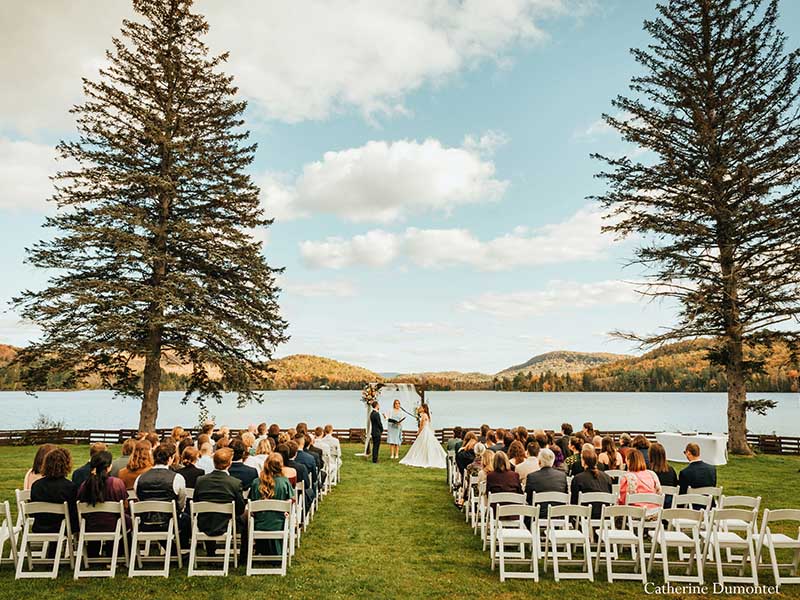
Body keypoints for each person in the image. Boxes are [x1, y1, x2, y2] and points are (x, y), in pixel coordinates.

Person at [194, 448, 247, 561]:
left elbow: (196, 502)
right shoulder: (235, 483)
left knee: (209, 515)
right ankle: (244, 556)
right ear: (229, 463)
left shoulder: (200, 480)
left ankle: (210, 553)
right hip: (226, 524)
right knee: (246, 518)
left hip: (204, 523)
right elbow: (240, 508)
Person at [76, 450, 129, 554]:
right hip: (114, 525)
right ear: (108, 467)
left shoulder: (84, 485)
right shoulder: (116, 484)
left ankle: (93, 553)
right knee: (127, 520)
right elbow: (125, 506)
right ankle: (117, 552)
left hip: (90, 526)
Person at [248, 453, 295, 557]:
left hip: (259, 523)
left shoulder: (256, 482)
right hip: (279, 523)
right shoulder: (284, 482)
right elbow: (291, 500)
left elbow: (252, 501)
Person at [30, 447, 78, 534]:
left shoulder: (36, 485)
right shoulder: (70, 487)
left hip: (40, 528)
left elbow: (32, 513)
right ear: (66, 466)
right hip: (62, 528)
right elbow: (73, 513)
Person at [400, 403, 447, 469]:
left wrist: (418, 432)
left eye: (421, 407)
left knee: (422, 443)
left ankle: (422, 457)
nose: (420, 408)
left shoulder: (424, 415)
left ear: (424, 409)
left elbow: (422, 425)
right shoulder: (427, 415)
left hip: (424, 430)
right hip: (427, 430)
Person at [570, 449, 612, 519]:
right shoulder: (607, 477)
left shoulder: (578, 479)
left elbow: (574, 502)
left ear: (583, 461)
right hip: (604, 516)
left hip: (585, 516)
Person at [524, 448, 568, 515]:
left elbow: (527, 498)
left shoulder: (532, 477)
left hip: (537, 515)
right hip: (558, 515)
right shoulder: (562, 476)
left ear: (539, 462)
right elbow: (565, 496)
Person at [618, 445, 662, 512]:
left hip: (636, 513)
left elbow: (623, 501)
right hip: (655, 512)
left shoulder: (628, 478)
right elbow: (659, 493)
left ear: (629, 461)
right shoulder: (652, 474)